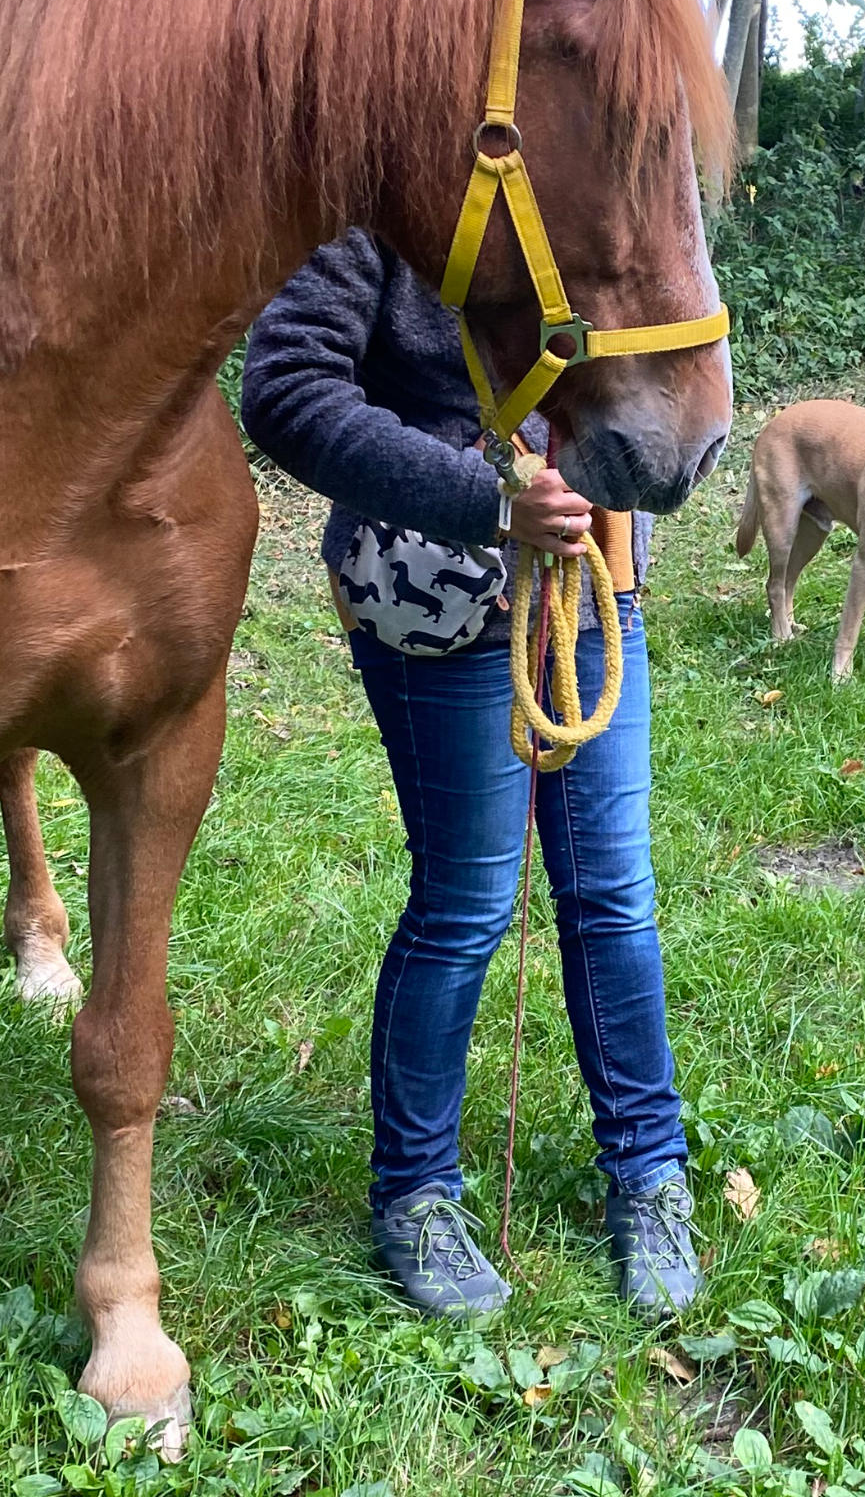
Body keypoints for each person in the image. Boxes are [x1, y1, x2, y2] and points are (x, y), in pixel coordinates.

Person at [240, 229, 701, 1320]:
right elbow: (286, 385)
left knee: (612, 896)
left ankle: (648, 1171)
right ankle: (414, 1191)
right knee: (467, 900)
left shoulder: (586, 187)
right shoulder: (382, 208)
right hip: (436, 604)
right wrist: (483, 498)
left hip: (590, 584)